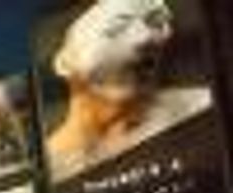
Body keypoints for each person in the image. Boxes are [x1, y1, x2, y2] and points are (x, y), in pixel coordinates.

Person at [44, 0, 212, 183]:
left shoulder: (201, 106)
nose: (146, 37)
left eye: (155, 23)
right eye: (116, 29)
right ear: (64, 63)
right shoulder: (49, 165)